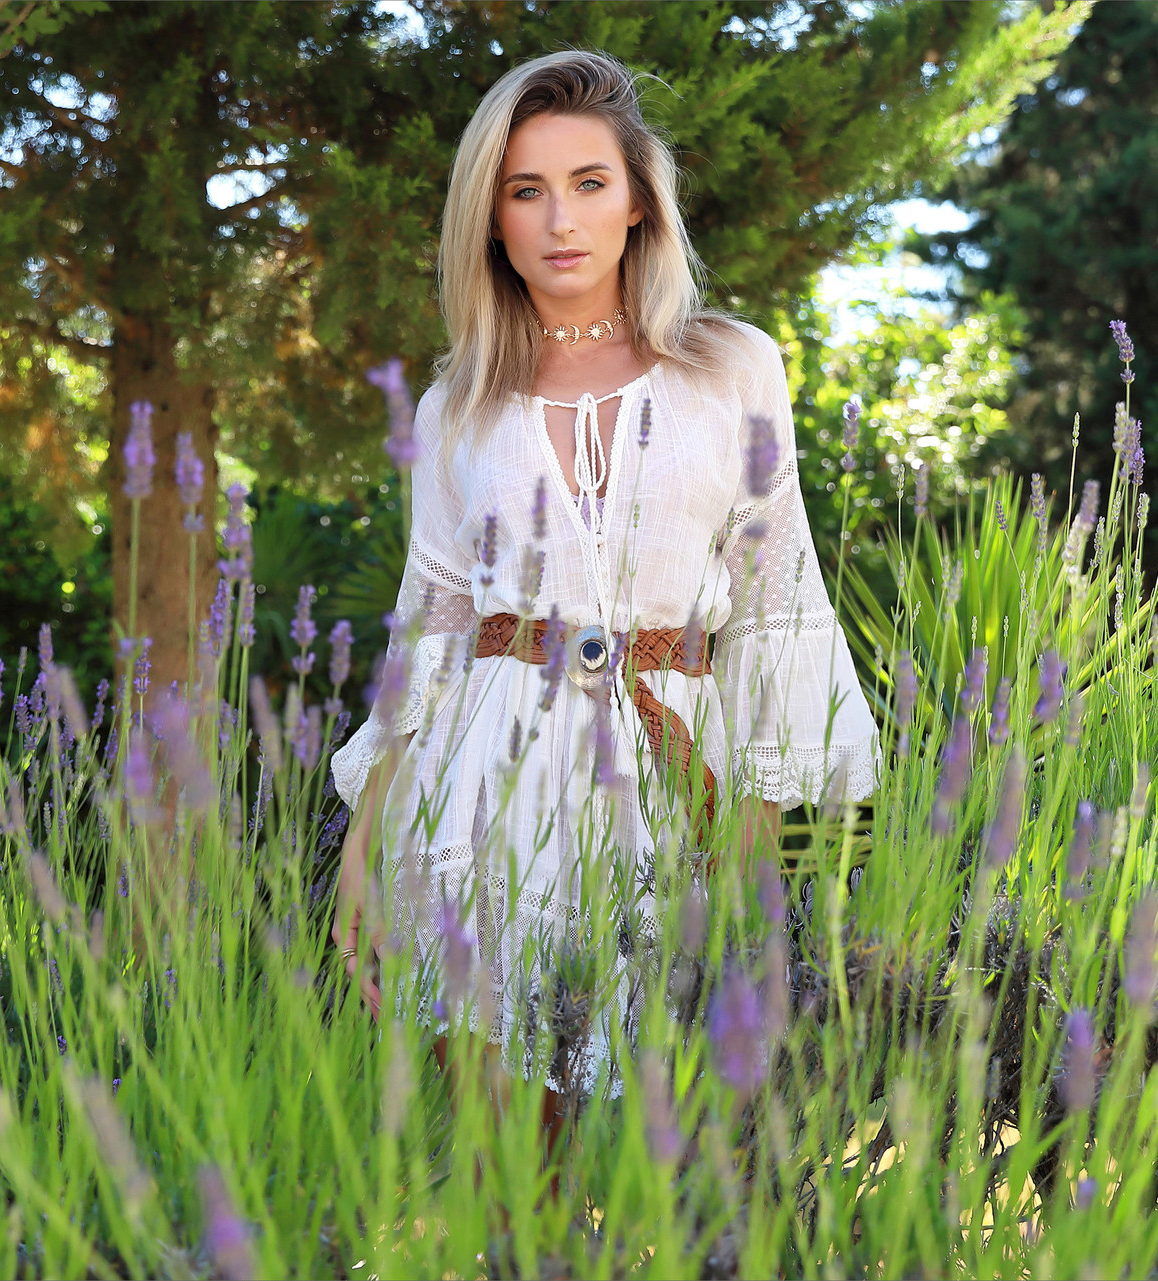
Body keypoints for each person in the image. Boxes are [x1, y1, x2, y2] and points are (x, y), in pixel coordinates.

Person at [329, 47, 880, 1152]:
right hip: (485, 784)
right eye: (525, 191)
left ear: (638, 202)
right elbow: (431, 631)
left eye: (588, 183)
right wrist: (361, 851)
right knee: (507, 1158)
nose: (559, 219)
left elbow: (774, 594)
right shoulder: (455, 407)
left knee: (669, 1158)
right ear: (491, 221)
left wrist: (756, 826)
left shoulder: (731, 367)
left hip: (674, 780)